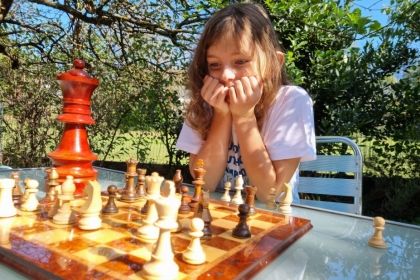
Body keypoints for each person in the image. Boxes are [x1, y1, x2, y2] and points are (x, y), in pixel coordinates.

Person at [175, 2, 316, 203]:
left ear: (273, 65)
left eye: (240, 61)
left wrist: (243, 115)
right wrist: (222, 114)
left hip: (273, 224)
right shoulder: (206, 104)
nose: (225, 75)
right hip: (217, 219)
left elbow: (270, 194)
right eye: (214, 64)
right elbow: (205, 183)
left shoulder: (291, 101)